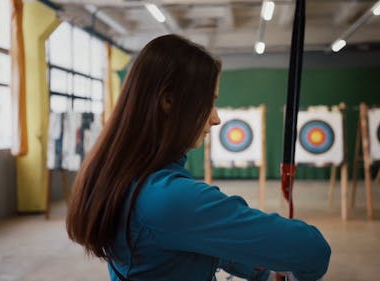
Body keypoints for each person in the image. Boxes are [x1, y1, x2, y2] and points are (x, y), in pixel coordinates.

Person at [66, 34, 330, 281]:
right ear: (168, 101)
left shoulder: (123, 175)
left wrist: (265, 275)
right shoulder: (169, 199)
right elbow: (314, 250)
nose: (216, 118)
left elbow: (193, 238)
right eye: (208, 102)